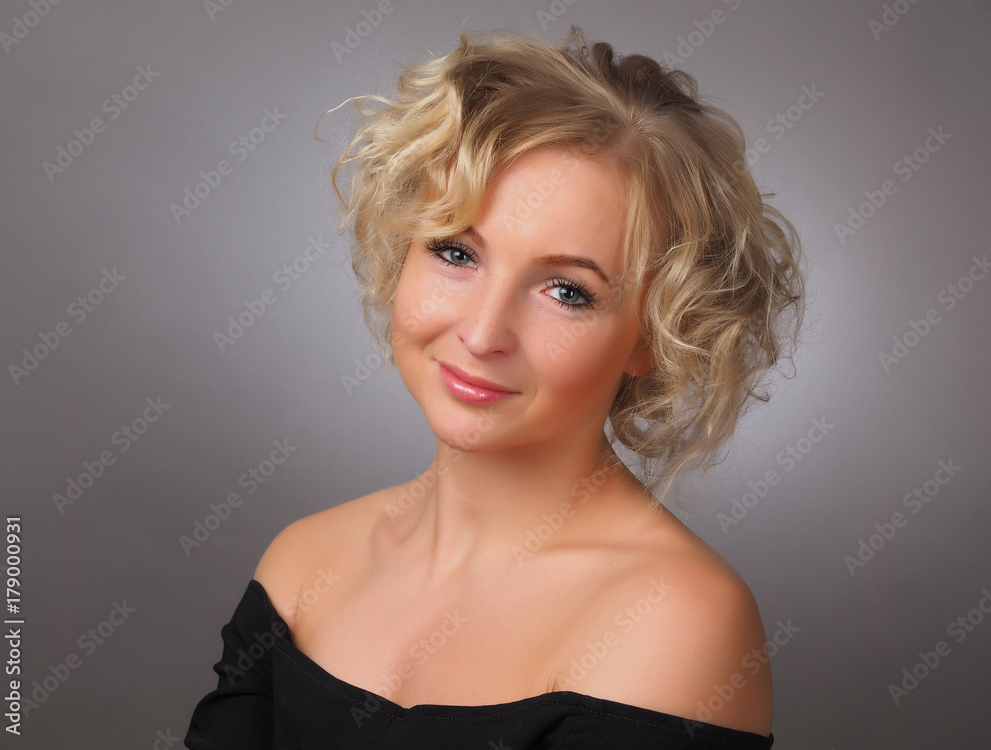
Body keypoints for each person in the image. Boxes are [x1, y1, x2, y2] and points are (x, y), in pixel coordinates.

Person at [185, 24, 804, 749]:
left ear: (654, 335)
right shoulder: (301, 565)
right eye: (456, 252)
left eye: (567, 291)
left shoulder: (679, 620)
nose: (483, 334)